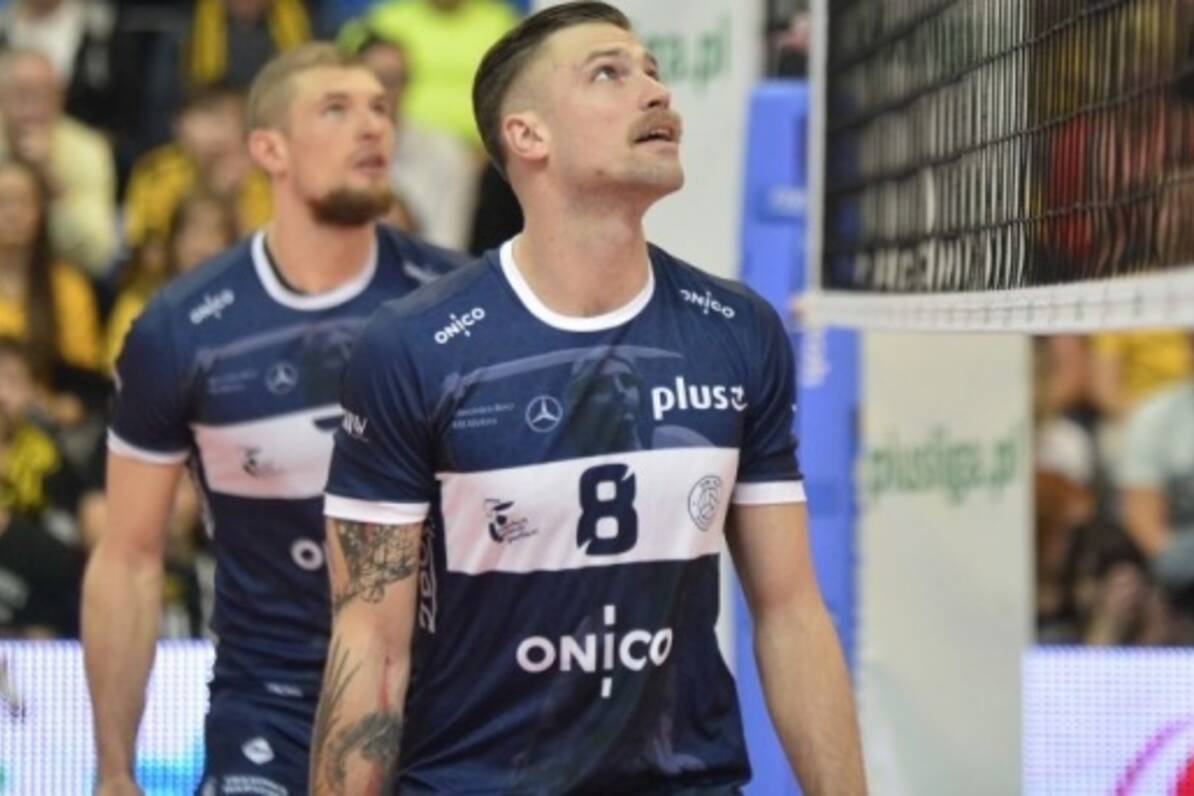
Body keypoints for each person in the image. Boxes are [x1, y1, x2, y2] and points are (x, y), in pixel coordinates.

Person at [316, 3, 866, 793]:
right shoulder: (415, 345)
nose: (655, 91)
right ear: (527, 135)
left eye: (652, 70)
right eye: (609, 73)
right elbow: (371, 645)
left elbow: (790, 613)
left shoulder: (737, 330)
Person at [81, 42, 463, 796]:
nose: (372, 126)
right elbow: (127, 558)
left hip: (448, 698)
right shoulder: (181, 328)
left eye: (380, 109)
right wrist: (115, 770)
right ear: (269, 150)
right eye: (336, 109)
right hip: (275, 700)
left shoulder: (456, 300)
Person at [0, 47, 117, 277]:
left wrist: (52, 182)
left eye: (42, 95)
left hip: (61, 279)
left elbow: (98, 254)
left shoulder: (89, 150)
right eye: (21, 94)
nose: (31, 109)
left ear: (60, 99)